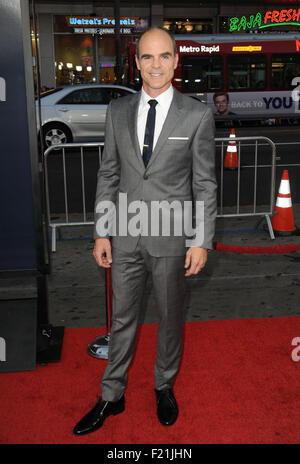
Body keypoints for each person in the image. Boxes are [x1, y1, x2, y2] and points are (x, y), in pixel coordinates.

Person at [73, 27, 217, 436]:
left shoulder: (197, 114)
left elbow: (205, 183)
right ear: (137, 63)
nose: (156, 65)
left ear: (176, 61)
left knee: (171, 318)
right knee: (122, 318)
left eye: (164, 57)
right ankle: (111, 395)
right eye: (147, 58)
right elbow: (109, 172)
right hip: (124, 233)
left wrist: (201, 240)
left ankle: (164, 386)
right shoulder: (117, 111)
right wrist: (102, 231)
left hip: (172, 237)